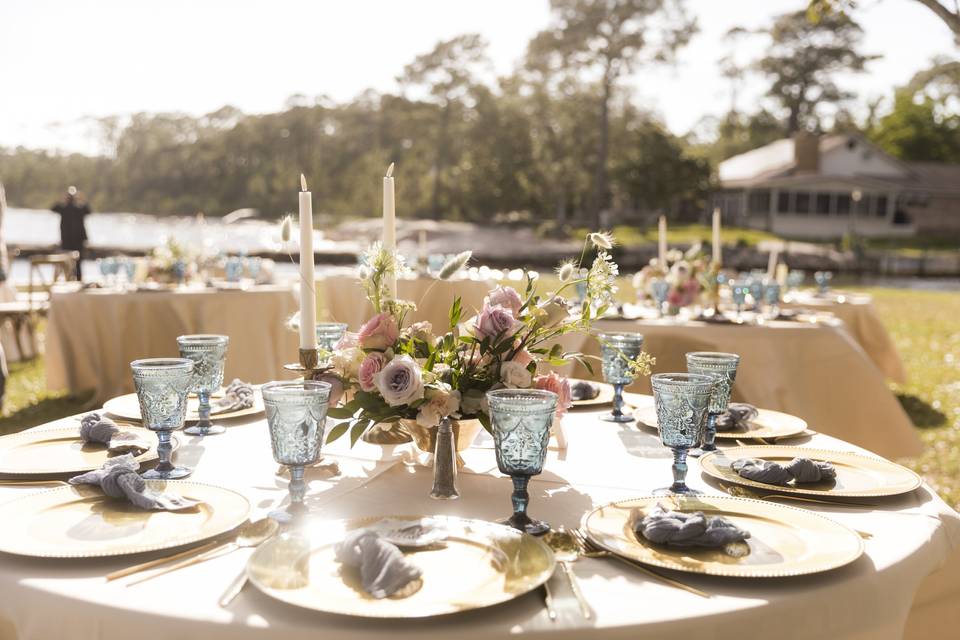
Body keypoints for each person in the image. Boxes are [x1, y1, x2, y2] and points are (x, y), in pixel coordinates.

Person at [51, 186, 90, 280]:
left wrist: (64, 199)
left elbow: (88, 211)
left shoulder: (77, 208)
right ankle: (73, 280)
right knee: (71, 262)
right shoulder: (66, 208)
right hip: (70, 240)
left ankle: (75, 280)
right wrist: (81, 199)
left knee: (76, 262)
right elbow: (53, 208)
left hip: (74, 240)